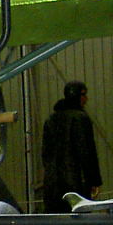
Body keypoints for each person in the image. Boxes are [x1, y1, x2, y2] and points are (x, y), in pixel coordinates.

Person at [40, 80, 101, 212]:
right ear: (78, 96)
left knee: (56, 220)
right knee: (77, 222)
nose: (86, 99)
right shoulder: (81, 118)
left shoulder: (51, 120)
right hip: (75, 182)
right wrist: (94, 180)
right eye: (84, 95)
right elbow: (87, 152)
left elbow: (45, 154)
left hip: (52, 183)